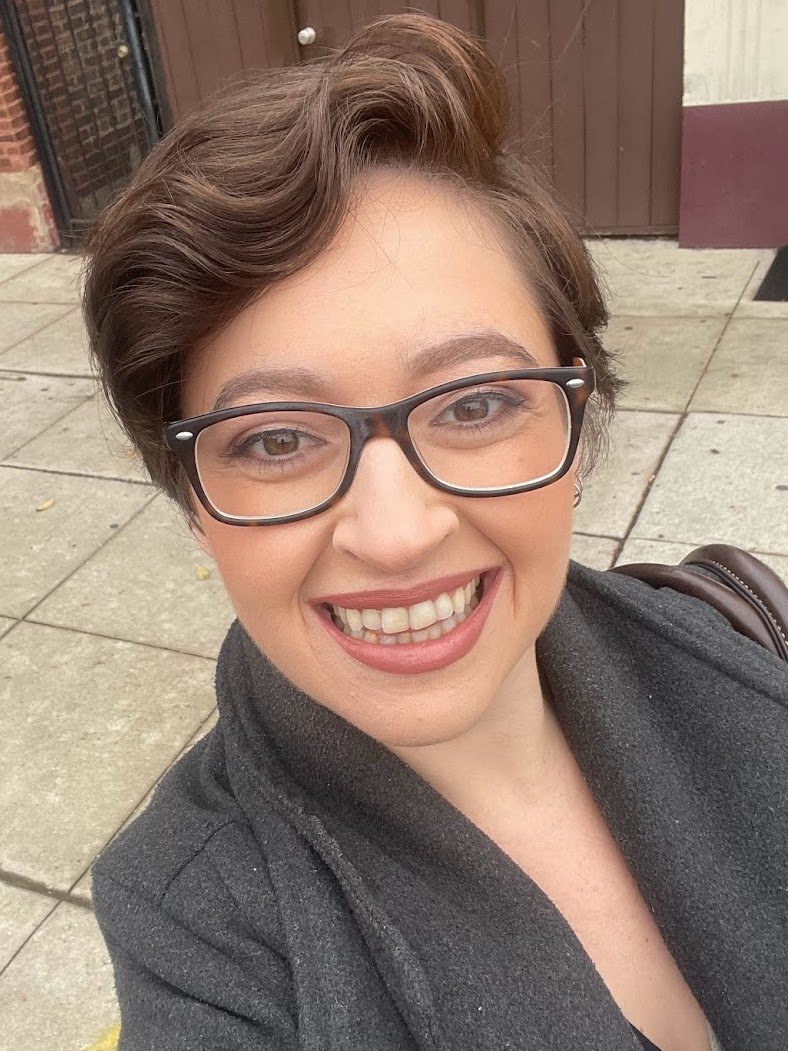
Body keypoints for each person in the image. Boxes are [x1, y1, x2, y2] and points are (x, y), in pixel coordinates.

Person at [83, 14, 786, 1051]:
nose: (398, 532)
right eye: (275, 438)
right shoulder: (199, 933)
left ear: (575, 421)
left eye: (471, 405)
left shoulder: (740, 626)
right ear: (190, 495)